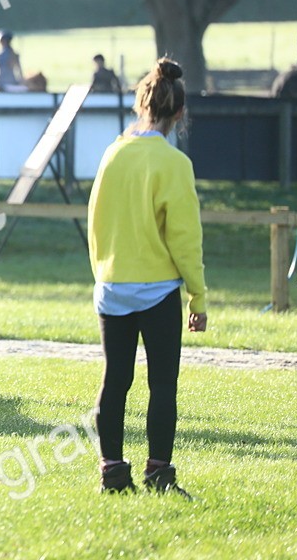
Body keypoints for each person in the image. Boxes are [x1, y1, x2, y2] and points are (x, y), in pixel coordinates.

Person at [87, 58, 207, 498]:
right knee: (162, 386)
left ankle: (113, 474)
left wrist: (103, 273)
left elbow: (95, 221)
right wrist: (198, 296)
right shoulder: (174, 163)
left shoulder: (112, 153)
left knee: (114, 381)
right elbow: (184, 239)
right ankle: (159, 475)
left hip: (112, 286)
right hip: (157, 290)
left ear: (142, 103)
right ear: (179, 114)